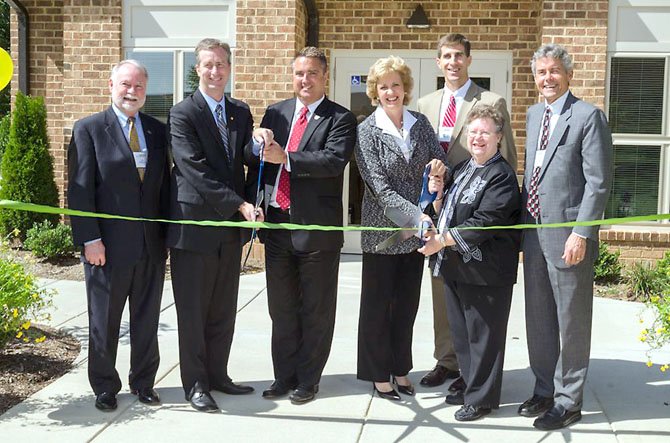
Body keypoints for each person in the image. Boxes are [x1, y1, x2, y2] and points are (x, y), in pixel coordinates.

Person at [248, 47, 356, 405]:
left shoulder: (339, 117)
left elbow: (333, 161)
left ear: (324, 77)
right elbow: (258, 160)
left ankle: (308, 380)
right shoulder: (276, 113)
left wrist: (288, 158)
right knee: (281, 308)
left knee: (316, 308)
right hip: (278, 225)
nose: (305, 80)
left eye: (312, 73)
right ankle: (284, 376)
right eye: (299, 73)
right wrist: (257, 143)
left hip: (317, 229)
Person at [518, 44, 612, 430]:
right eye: (541, 72)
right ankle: (544, 388)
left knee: (571, 320)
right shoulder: (533, 113)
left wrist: (582, 233)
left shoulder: (589, 116)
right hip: (533, 232)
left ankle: (569, 399)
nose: (547, 79)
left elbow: (599, 182)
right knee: (538, 316)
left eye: (554, 71)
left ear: (569, 75)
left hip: (568, 234)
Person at [68, 59, 170, 411]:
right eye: (125, 84)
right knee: (104, 321)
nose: (132, 91)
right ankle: (105, 386)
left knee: (146, 320)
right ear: (111, 85)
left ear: (146, 90)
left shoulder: (158, 131)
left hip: (150, 247)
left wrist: (168, 237)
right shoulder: (89, 129)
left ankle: (143, 382)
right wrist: (89, 238)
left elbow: (164, 188)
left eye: (139, 86)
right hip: (106, 249)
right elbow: (79, 190)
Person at [417, 33, 517, 391]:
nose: (453, 62)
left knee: (474, 299)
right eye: (446, 56)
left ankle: (470, 370)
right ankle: (446, 360)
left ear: (469, 59)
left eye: (459, 55)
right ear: (438, 62)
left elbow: (507, 157)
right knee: (442, 289)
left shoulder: (491, 100)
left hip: (477, 215)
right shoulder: (425, 104)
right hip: (439, 205)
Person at [167, 38, 261, 413]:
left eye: (221, 64)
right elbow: (194, 169)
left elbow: (245, 160)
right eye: (208, 64)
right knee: (193, 311)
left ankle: (218, 375)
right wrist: (239, 203)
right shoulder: (182, 113)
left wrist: (259, 145)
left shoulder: (240, 111)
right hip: (194, 227)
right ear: (197, 69)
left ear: (229, 66)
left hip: (228, 230)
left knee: (223, 308)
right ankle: (196, 384)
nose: (215, 71)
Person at [355, 56, 448, 401]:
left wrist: (439, 172)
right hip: (383, 236)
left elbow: (438, 165)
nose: (390, 91)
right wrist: (418, 217)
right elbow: (380, 189)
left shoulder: (420, 124)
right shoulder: (366, 131)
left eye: (396, 85)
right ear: (375, 91)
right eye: (383, 86)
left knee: (406, 306)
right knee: (378, 307)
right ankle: (378, 374)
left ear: (405, 88)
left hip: (415, 237)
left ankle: (400, 369)